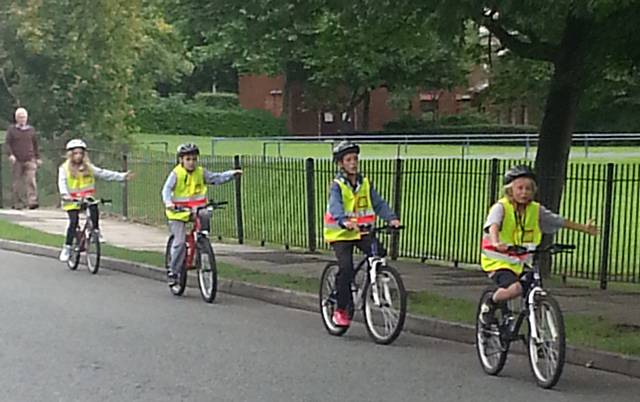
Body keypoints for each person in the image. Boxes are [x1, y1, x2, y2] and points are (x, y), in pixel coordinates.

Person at [479, 165, 599, 324]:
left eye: (528, 188)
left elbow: (558, 221)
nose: (524, 192)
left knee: (531, 286)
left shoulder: (535, 210)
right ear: (510, 190)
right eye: (519, 188)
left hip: (521, 261)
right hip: (498, 261)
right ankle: (490, 304)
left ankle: (533, 323)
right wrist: (496, 242)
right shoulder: (501, 207)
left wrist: (583, 228)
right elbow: (493, 225)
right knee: (515, 289)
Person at [323, 141, 400, 328]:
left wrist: (391, 218)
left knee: (378, 252)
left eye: (355, 159)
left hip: (361, 231)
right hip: (341, 233)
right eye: (349, 160)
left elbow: (378, 203)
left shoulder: (364, 183)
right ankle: (340, 309)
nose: (353, 163)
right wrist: (343, 221)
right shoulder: (337, 185)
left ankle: (375, 279)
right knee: (346, 268)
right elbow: (335, 206)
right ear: (341, 164)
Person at [162, 143, 242, 286]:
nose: (191, 162)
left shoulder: (200, 172)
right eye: (188, 159)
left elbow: (215, 178)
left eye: (194, 159)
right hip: (178, 213)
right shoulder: (176, 174)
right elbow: (166, 190)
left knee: (205, 214)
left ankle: (202, 241)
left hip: (196, 210)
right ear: (181, 160)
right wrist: (169, 203)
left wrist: (231, 174)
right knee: (179, 243)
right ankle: (173, 272)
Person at [58, 139, 134, 262]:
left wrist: (122, 176)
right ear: (70, 154)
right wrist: (65, 195)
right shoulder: (64, 168)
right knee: (73, 222)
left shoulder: (88, 167)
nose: (78, 156)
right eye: (75, 153)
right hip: (71, 200)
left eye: (80, 153)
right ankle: (67, 247)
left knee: (93, 208)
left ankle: (96, 231)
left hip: (86, 198)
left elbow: (103, 173)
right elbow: (62, 183)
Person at [4, 107, 41, 209]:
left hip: (30, 158)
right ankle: (18, 203)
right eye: (20, 117)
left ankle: (32, 202)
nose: (22, 119)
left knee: (31, 180)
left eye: (24, 117)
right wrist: (10, 155)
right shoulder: (12, 130)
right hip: (17, 159)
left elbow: (35, 144)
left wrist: (37, 157)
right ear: (16, 118)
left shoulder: (31, 130)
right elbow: (7, 144)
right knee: (17, 183)